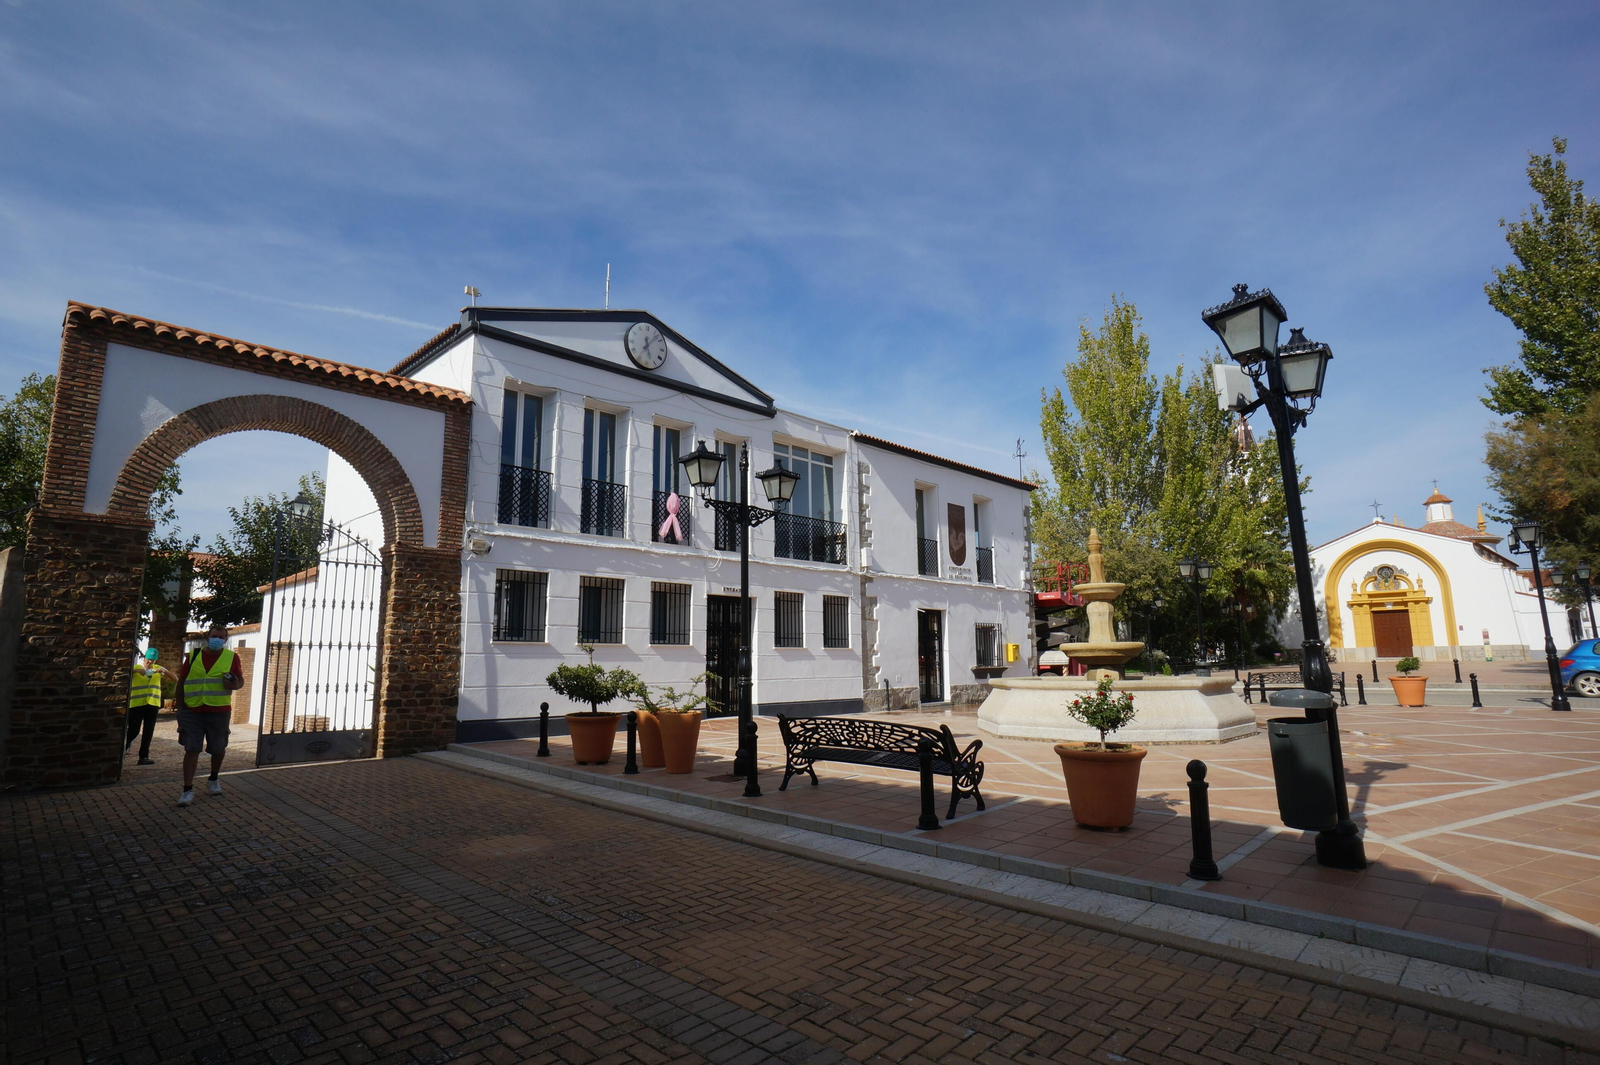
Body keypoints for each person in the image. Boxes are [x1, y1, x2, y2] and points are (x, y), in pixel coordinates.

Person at [175, 623, 243, 806]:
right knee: (191, 749)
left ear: (225, 640)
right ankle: (187, 790)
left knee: (218, 748)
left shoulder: (231, 657)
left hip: (219, 711)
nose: (217, 640)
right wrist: (180, 710)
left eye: (221, 637)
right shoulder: (194, 656)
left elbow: (240, 682)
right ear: (207, 637)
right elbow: (181, 682)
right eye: (215, 636)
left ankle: (213, 778)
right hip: (192, 711)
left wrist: (234, 684)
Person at [126, 647, 172, 765]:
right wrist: (136, 672)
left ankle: (143, 757)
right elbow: (124, 672)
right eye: (148, 660)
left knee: (148, 731)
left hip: (152, 704)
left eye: (153, 660)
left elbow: (175, 678)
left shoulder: (158, 669)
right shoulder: (136, 668)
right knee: (134, 730)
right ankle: (122, 749)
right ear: (144, 658)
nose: (150, 662)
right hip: (136, 704)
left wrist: (165, 672)